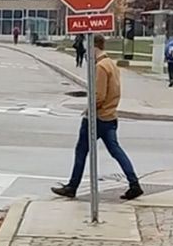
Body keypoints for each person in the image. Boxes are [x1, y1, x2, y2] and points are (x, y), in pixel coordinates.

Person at [52, 34, 143, 201]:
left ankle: (72, 186)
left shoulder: (101, 67)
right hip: (110, 116)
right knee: (115, 150)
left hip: (98, 117)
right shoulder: (111, 64)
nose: (86, 50)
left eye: (88, 46)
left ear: (94, 46)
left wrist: (89, 111)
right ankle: (134, 183)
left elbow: (99, 95)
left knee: (81, 150)